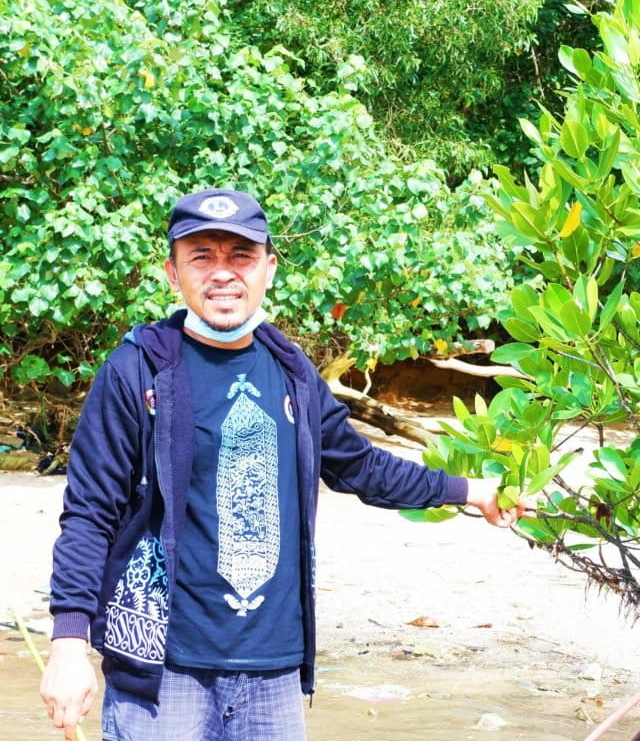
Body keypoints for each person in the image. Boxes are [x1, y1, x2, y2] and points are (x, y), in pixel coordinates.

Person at [38, 188, 524, 741]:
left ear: (269, 267)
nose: (222, 273)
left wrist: (471, 490)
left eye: (240, 256)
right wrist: (70, 643)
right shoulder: (137, 370)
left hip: (274, 671)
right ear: (173, 274)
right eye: (202, 256)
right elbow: (89, 513)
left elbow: (360, 467)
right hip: (163, 667)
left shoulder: (292, 371)